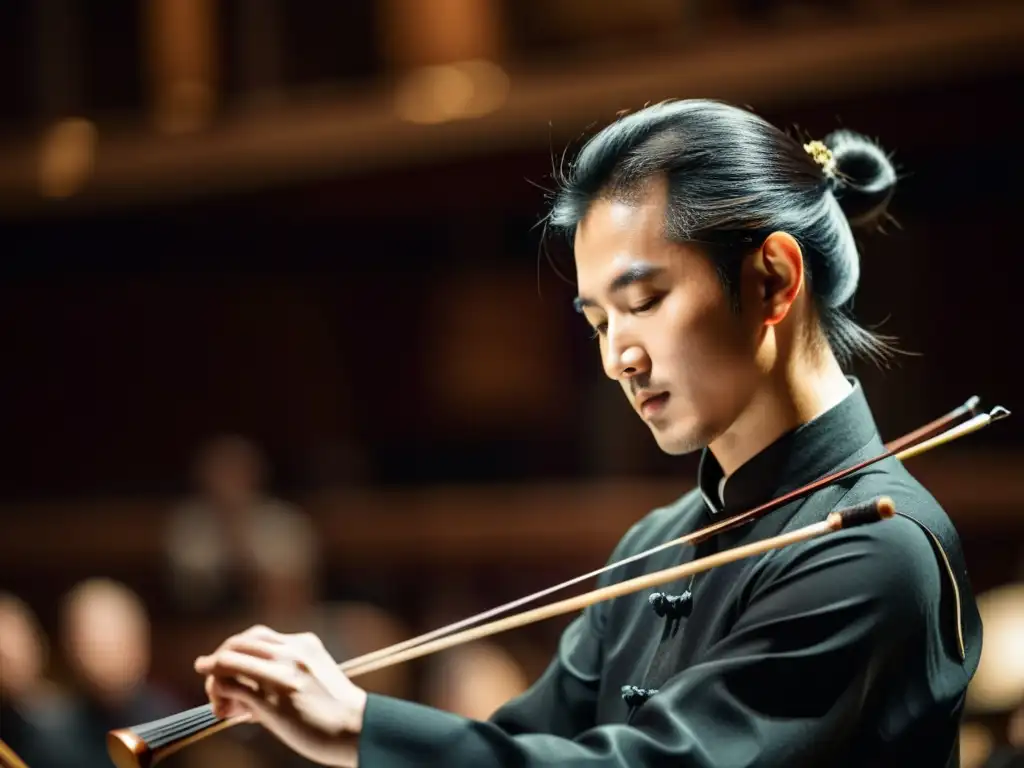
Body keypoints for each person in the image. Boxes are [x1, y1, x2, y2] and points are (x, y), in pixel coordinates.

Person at [193, 99, 982, 767]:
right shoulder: (659, 539)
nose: (618, 358)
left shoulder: (880, 550)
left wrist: (363, 725)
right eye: (597, 321)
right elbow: (521, 743)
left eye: (643, 302)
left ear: (772, 279)